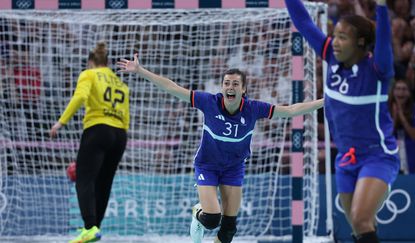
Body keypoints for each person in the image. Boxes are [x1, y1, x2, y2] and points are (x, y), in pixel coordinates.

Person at [117, 55, 323, 243]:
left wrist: (325, 102)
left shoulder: (253, 108)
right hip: (207, 166)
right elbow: (172, 88)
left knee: (228, 231)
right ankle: (197, 212)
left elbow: (289, 110)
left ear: (243, 89)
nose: (230, 87)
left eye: (235, 84)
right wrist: (141, 71)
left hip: (234, 168)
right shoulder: (209, 102)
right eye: (226, 83)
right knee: (212, 219)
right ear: (222, 87)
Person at [285, 0, 400, 242]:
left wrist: (380, 6)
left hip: (377, 156)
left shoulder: (378, 70)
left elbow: (384, 41)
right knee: (359, 228)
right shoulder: (332, 59)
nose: (334, 42)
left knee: (360, 219)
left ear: (360, 42)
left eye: (343, 37)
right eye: (334, 35)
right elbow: (304, 23)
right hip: (345, 158)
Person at [50, 42, 130, 243]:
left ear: (91, 62)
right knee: (104, 182)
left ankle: (89, 226)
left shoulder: (89, 74)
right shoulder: (121, 84)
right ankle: (95, 228)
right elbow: (126, 117)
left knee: (84, 180)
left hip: (97, 129)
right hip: (120, 134)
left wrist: (61, 122)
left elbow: (80, 96)